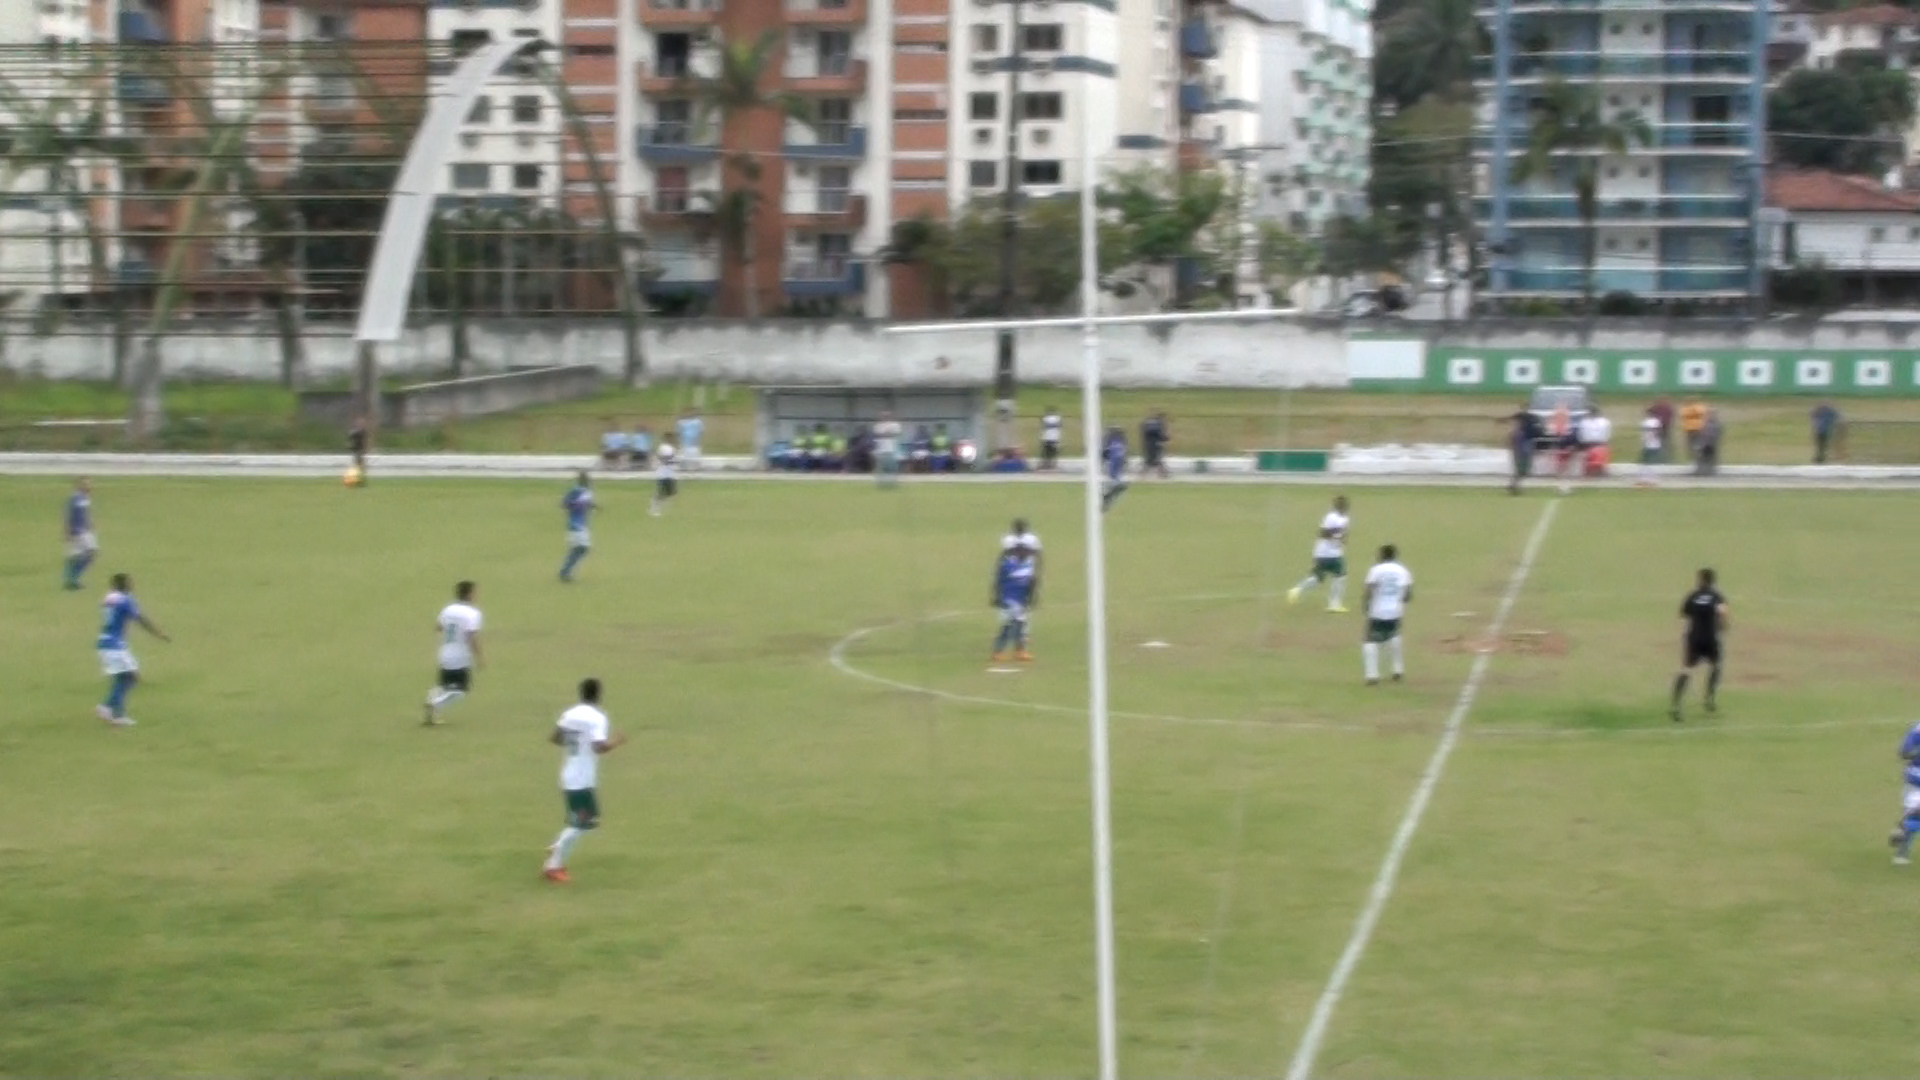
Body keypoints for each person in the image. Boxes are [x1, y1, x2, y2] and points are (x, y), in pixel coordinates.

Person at [542, 677, 627, 883]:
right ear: (598, 694)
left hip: (569, 773)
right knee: (582, 823)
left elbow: (555, 738)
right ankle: (553, 866)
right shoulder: (597, 718)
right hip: (582, 778)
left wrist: (576, 743)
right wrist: (617, 741)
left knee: (588, 821)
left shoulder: (569, 714)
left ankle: (558, 845)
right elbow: (599, 747)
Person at [95, 572, 169, 728]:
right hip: (115, 646)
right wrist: (158, 633)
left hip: (104, 642)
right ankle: (108, 708)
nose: (132, 585)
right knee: (131, 677)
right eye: (129, 583)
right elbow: (140, 619)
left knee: (125, 677)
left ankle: (116, 714)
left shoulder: (109, 598)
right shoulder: (126, 600)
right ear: (124, 585)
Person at [1670, 567, 1727, 722]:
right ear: (1713, 581)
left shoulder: (1693, 596)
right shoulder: (1717, 596)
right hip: (1710, 638)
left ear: (1701, 580)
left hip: (1694, 638)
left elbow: (1683, 613)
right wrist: (1722, 626)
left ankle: (1676, 705)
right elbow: (1723, 613)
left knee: (1686, 670)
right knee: (1716, 666)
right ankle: (1709, 697)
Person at [425, 580, 484, 726]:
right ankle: (435, 703)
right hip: (460, 657)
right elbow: (472, 638)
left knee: (444, 685)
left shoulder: (448, 609)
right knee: (460, 690)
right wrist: (479, 658)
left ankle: (432, 705)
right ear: (469, 594)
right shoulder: (472, 614)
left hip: (445, 653)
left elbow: (438, 627)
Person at [1288, 494, 1351, 612]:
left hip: (1332, 552)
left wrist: (1342, 539)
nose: (1344, 507)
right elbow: (1322, 533)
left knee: (1318, 579)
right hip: (1327, 552)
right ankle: (1334, 604)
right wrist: (1335, 535)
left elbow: (1344, 534)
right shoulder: (1331, 517)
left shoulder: (1345, 519)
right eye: (1342, 505)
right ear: (1337, 506)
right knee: (1340, 576)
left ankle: (1297, 590)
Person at [1361, 544, 1413, 686]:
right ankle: (1398, 670)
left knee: (1370, 641)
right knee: (1394, 636)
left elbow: (1369, 589)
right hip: (1395, 611)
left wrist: (1366, 605)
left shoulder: (1376, 570)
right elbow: (1408, 593)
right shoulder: (1403, 571)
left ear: (1382, 555)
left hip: (1377, 611)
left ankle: (1372, 675)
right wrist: (1400, 603)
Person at [990, 542, 1038, 663]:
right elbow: (998, 581)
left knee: (1020, 625)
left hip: (1021, 601)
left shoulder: (1028, 566)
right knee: (1009, 626)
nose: (1027, 555)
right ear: (1018, 553)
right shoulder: (1007, 566)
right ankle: (998, 651)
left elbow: (1031, 583)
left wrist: (1030, 598)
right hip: (1009, 600)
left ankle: (1019, 651)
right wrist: (997, 596)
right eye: (1025, 553)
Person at [1888, 721, 1920, 866]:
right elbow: (1905, 752)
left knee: (1914, 816)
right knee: (1915, 815)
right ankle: (1903, 839)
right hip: (1916, 779)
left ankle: (1903, 829)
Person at [559, 471, 596, 583]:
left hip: (581, 524)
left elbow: (587, 504)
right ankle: (565, 572)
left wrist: (594, 506)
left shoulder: (584, 492)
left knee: (579, 549)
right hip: (577, 524)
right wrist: (573, 506)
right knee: (582, 548)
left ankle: (566, 571)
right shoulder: (578, 491)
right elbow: (564, 503)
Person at [1500, 402, 1544, 496]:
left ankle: (1514, 485)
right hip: (1522, 445)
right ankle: (1514, 486)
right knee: (1521, 468)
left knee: (1523, 469)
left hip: (1525, 444)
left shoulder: (1529, 418)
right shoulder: (1527, 419)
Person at [64, 477, 98, 591]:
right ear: (79, 485)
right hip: (78, 531)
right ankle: (73, 579)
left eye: (89, 484)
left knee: (81, 556)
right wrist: (67, 531)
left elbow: (86, 513)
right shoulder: (75, 498)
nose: (89, 486)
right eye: (86, 484)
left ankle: (72, 580)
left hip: (86, 530)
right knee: (89, 553)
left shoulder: (85, 498)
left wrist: (91, 522)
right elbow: (70, 515)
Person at [1002, 518, 1043, 600]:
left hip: (1027, 563)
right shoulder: (1009, 539)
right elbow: (1006, 554)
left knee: (1031, 581)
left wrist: (1038, 565)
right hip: (1014, 565)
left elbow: (1037, 553)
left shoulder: (1031, 539)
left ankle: (1030, 598)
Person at [1575, 405, 1612, 480]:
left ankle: (1592, 472)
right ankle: (1598, 471)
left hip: (1591, 444)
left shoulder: (1585, 422)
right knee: (1598, 455)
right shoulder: (1605, 422)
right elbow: (1608, 435)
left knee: (1592, 457)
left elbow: (1581, 435)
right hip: (1597, 444)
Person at [1100, 425, 1130, 511]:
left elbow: (1104, 453)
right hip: (1117, 462)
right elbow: (1124, 454)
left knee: (1110, 481)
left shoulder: (1110, 441)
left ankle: (1106, 498)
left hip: (1112, 462)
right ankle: (1108, 497)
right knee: (1114, 480)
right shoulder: (1121, 442)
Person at [873, 411, 902, 487]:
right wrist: (887, 433)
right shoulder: (878, 426)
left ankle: (893, 482)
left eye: (887, 416)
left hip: (892, 449)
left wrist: (886, 434)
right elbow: (878, 434)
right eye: (883, 416)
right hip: (881, 449)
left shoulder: (895, 425)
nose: (885, 417)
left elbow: (896, 433)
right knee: (880, 467)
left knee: (892, 467)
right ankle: (880, 482)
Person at [1141, 410, 1170, 479]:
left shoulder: (1149, 423)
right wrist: (1166, 438)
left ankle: (1162, 473)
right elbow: (1161, 435)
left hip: (1149, 444)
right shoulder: (1159, 424)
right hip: (1156, 444)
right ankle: (1163, 474)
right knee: (1155, 460)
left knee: (1152, 460)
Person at [1637, 407, 1662, 487]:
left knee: (1646, 462)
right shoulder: (1657, 422)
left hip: (1649, 444)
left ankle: (1646, 479)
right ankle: (1650, 478)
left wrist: (1645, 441)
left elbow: (1649, 433)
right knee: (1651, 462)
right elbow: (1657, 432)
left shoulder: (1646, 422)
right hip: (1655, 444)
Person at [1695, 408, 1723, 477]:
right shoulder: (1706, 424)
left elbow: (1717, 433)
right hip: (1706, 444)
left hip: (1710, 444)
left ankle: (1709, 470)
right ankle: (1702, 470)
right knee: (1703, 458)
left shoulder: (1714, 424)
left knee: (1709, 458)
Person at [651, 443, 677, 517]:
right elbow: (662, 458)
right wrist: (669, 460)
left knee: (671, 492)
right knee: (661, 491)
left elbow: (672, 459)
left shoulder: (672, 449)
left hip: (669, 474)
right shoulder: (663, 447)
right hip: (662, 474)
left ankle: (658, 502)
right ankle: (655, 505)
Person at [1679, 397, 1708, 461]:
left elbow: (1682, 415)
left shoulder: (1686, 408)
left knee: (1692, 443)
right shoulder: (1700, 407)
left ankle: (1694, 455)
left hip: (1691, 428)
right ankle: (1696, 455)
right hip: (1697, 427)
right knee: (1696, 442)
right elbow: (1703, 413)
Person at [1648, 397, 1676, 462]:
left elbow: (1648, 411)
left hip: (1661, 426)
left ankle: (1664, 457)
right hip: (1662, 426)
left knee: (1661, 442)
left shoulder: (1657, 407)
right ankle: (1666, 457)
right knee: (1663, 442)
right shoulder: (1667, 408)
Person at [347, 415, 370, 486]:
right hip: (356, 450)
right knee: (358, 466)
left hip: (360, 450)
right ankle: (356, 480)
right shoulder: (355, 431)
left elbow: (362, 438)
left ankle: (359, 480)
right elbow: (351, 437)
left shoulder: (362, 432)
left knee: (359, 466)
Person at [1039, 406, 1063, 470]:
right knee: (1054, 452)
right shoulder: (1058, 418)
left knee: (1046, 452)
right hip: (1055, 437)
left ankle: (1045, 464)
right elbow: (1060, 425)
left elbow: (1042, 425)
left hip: (1046, 437)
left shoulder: (1045, 418)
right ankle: (1053, 464)